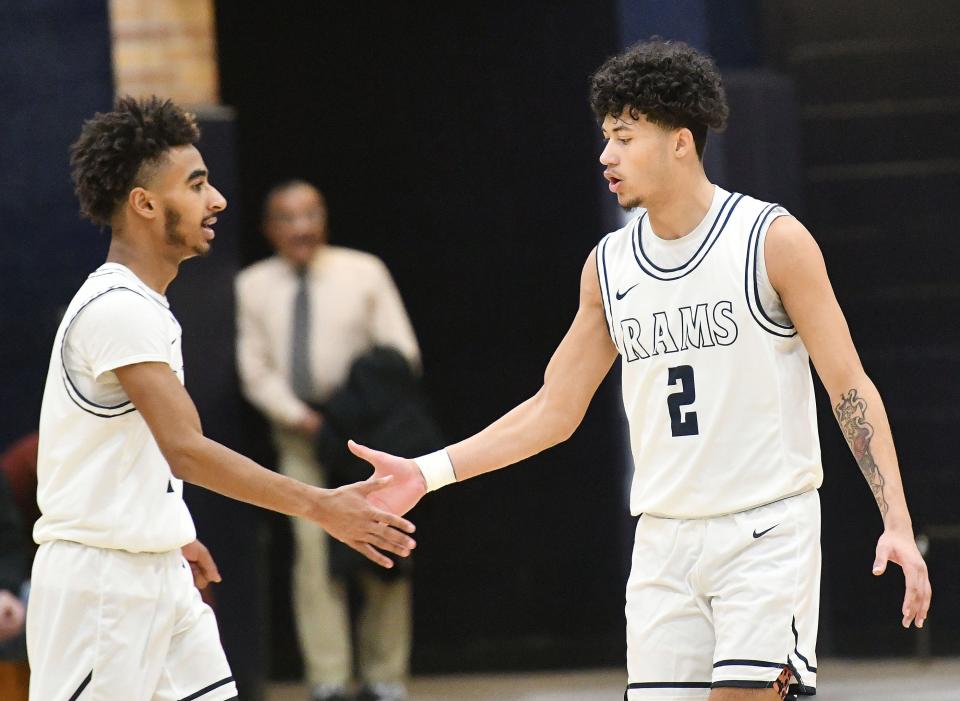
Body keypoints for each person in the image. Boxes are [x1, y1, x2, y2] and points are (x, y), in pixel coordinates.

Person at [348, 40, 932, 701]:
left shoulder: (772, 241)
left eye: (624, 137)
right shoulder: (609, 267)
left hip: (765, 531)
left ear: (681, 142)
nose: (606, 155)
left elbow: (849, 387)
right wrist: (428, 471)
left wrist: (897, 522)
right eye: (605, 137)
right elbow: (552, 409)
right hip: (662, 541)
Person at [28, 96, 416, 701]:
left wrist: (170, 529)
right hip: (101, 589)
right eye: (197, 184)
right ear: (146, 204)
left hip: (155, 571)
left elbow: (139, 449)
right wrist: (322, 505)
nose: (218, 201)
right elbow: (186, 450)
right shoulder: (118, 309)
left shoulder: (145, 305)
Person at [236, 181, 420, 701]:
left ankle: (386, 677)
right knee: (314, 556)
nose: (302, 227)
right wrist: (304, 419)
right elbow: (254, 370)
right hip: (301, 438)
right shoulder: (251, 286)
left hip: (369, 437)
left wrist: (352, 412)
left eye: (312, 214)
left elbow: (401, 354)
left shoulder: (365, 271)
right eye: (288, 218)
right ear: (269, 228)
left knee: (385, 542)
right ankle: (329, 681)